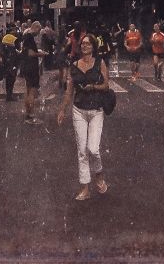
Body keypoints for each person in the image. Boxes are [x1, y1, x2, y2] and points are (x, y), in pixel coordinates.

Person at [58, 33, 110, 201]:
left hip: (96, 111)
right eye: (83, 44)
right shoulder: (74, 66)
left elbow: (106, 85)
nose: (85, 46)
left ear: (93, 47)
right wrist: (62, 110)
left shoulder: (100, 63)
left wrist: (93, 86)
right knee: (82, 151)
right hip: (79, 111)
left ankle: (99, 174)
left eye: (88, 44)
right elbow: (69, 91)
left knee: (93, 149)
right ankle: (85, 188)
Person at [20, 21, 42, 123]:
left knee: (28, 90)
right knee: (32, 91)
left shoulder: (25, 37)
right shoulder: (29, 38)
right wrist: (41, 54)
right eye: (39, 30)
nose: (39, 33)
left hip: (26, 66)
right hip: (31, 67)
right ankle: (31, 114)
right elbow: (30, 53)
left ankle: (28, 113)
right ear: (36, 28)